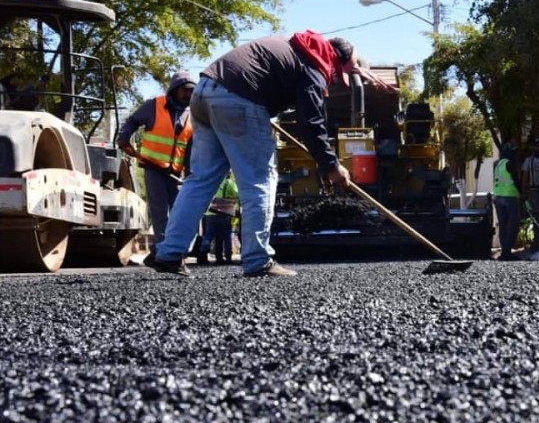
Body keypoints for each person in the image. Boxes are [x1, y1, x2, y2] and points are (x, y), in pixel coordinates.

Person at [149, 31, 395, 278]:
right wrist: (331, 165)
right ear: (337, 62)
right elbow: (311, 122)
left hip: (204, 91)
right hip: (238, 98)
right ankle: (258, 259)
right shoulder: (315, 63)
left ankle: (170, 253)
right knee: (260, 179)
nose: (332, 80)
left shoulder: (293, 50)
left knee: (200, 180)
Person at [117, 70, 196, 265]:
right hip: (154, 168)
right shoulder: (155, 105)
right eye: (185, 90)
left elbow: (190, 146)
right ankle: (164, 254)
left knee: (180, 212)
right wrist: (124, 138)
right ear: (175, 90)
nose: (189, 95)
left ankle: (165, 251)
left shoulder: (194, 114)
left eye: (192, 91)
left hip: (176, 173)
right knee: (161, 212)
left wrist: (190, 172)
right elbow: (133, 121)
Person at [198, 173, 239, 265]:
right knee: (226, 236)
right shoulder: (229, 183)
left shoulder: (211, 182)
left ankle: (203, 253)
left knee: (209, 235)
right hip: (225, 213)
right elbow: (238, 194)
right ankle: (227, 257)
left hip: (210, 213)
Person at [493, 142, 523, 261]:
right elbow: (515, 180)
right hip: (509, 196)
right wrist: (522, 193)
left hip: (498, 197)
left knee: (504, 224)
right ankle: (507, 251)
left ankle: (504, 252)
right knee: (514, 224)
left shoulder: (497, 164)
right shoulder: (509, 164)